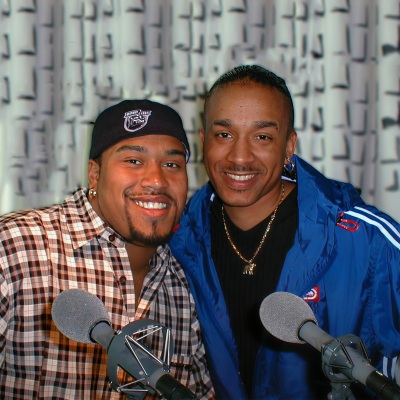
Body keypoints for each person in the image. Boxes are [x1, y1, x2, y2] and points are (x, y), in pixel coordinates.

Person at [169, 65, 400, 399]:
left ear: (289, 146)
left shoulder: (367, 242)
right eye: (224, 135)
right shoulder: (179, 241)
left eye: (262, 136)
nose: (239, 157)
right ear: (203, 141)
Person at [0, 100, 215, 400]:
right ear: (95, 174)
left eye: (172, 165)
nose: (157, 180)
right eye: (134, 161)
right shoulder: (13, 249)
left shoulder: (183, 284)